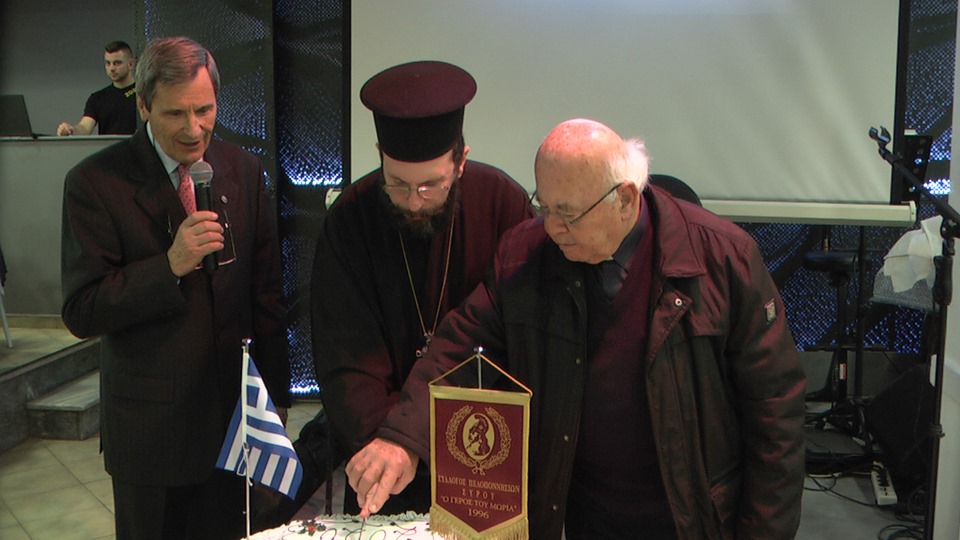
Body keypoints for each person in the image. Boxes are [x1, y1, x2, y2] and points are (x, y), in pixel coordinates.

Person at [346, 119, 807, 539]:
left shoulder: (724, 261)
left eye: (568, 213)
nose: (552, 228)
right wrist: (402, 438)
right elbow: (460, 345)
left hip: (691, 519)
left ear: (625, 200)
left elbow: (775, 416)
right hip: (584, 519)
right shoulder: (525, 256)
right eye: (543, 206)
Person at [60, 36, 289, 539]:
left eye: (204, 110)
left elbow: (267, 295)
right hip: (151, 435)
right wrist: (169, 267)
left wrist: (276, 397)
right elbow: (82, 308)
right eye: (175, 113)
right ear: (143, 106)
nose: (194, 128)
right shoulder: (95, 182)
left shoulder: (243, 170)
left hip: (236, 427)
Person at [310, 60, 535, 515]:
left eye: (431, 185)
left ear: (461, 161)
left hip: (482, 452)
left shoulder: (504, 204)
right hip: (382, 453)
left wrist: (427, 440)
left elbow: (516, 340)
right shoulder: (350, 218)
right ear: (380, 155)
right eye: (397, 184)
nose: (414, 202)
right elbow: (346, 355)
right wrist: (394, 443)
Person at [57, 40, 138, 136]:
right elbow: (85, 128)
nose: (112, 68)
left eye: (117, 63)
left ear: (131, 64)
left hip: (137, 145)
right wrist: (71, 131)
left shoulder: (143, 93)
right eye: (108, 63)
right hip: (109, 146)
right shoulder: (97, 98)